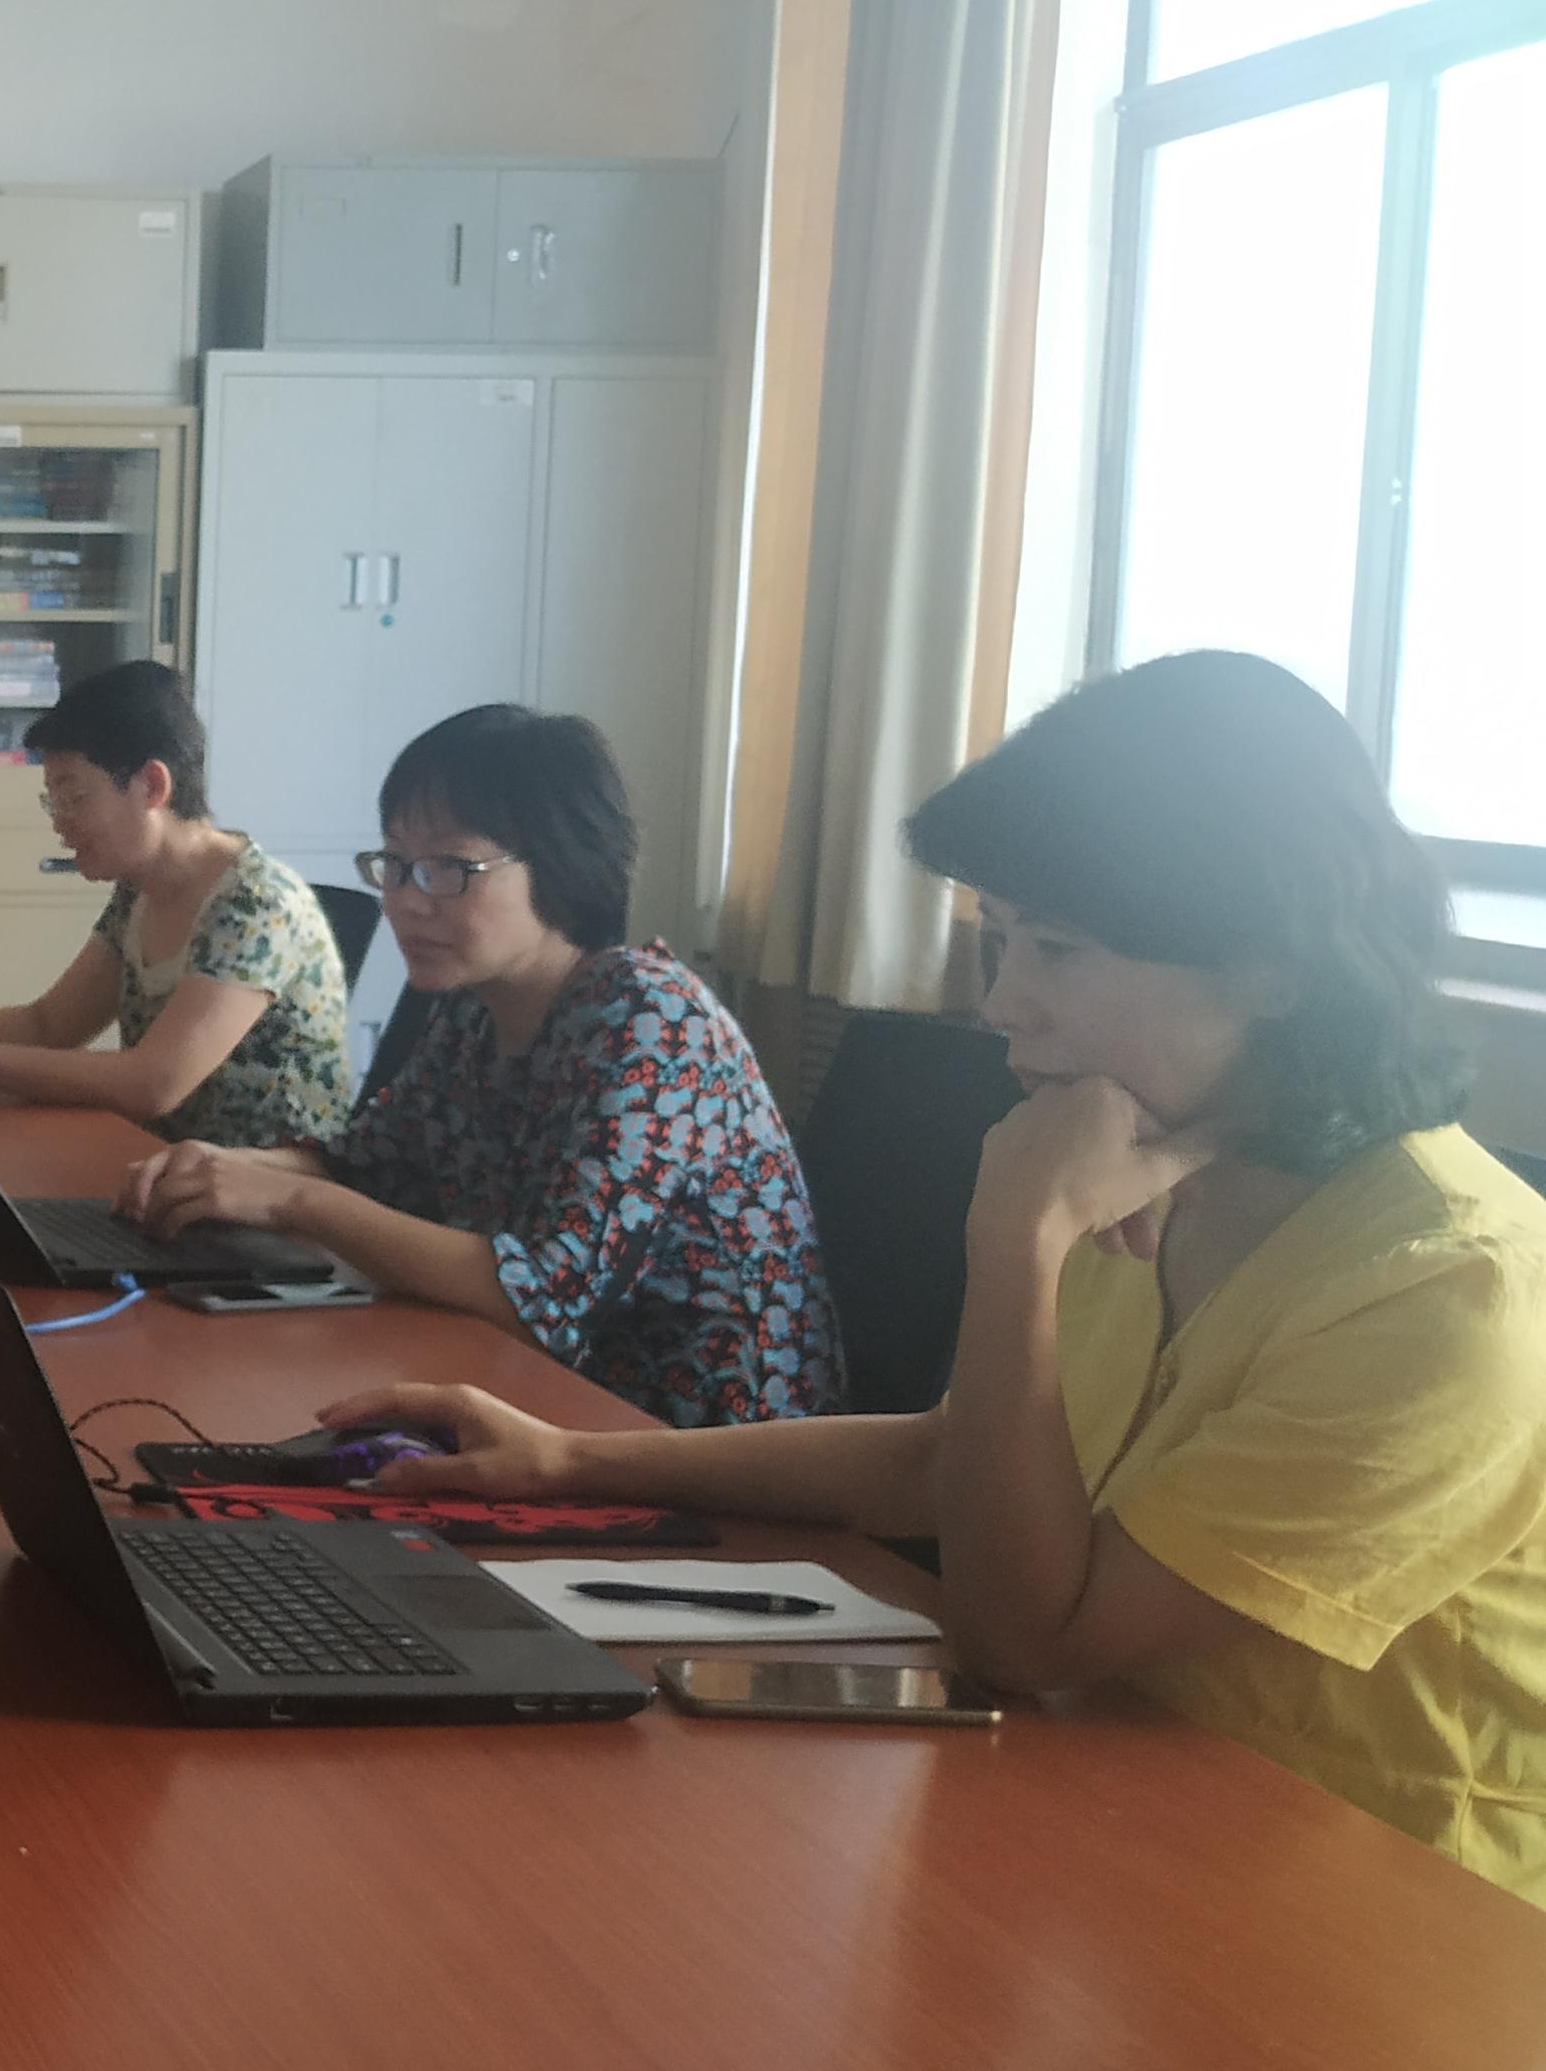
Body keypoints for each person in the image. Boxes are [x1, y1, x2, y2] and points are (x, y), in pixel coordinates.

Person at [320, 654, 1545, 1907]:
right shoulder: (1160, 1166)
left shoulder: (1443, 1288)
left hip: (1370, 1914)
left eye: (1056, 949)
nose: (1002, 1002)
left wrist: (1017, 1245)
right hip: (1106, 1829)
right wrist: (566, 1460)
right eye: (1000, 940)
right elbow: (948, 1459)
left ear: (1269, 966)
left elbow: (1029, 1635)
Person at [122, 704, 839, 1426]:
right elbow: (368, 1166)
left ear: (561, 863)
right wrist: (220, 1168)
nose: (405, 902)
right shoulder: (474, 1007)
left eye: (448, 869)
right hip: (527, 1396)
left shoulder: (651, 1022)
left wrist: (288, 1200)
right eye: (395, 865)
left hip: (683, 1436)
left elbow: (542, 1299)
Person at [0, 660, 353, 1149]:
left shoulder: (255, 905)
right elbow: (50, 1025)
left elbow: (154, 1084)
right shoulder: (138, 891)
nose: (60, 822)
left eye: (75, 797)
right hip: (163, 1169)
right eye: (53, 800)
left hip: (263, 1200)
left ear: (152, 785)